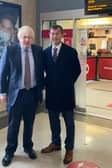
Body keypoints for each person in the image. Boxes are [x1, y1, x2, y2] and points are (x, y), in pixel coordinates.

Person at [0, 26, 44, 167]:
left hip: (32, 93)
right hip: (16, 94)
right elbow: (3, 72)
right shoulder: (10, 50)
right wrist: (2, 92)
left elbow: (41, 70)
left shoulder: (38, 50)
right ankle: (10, 151)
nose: (27, 40)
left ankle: (28, 147)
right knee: (13, 125)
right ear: (19, 38)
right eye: (24, 37)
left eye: (29, 37)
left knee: (29, 124)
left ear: (33, 39)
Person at [41, 25, 81, 164]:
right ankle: (55, 143)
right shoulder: (45, 53)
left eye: (57, 34)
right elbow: (44, 71)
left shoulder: (70, 52)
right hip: (51, 94)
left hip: (66, 94)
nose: (54, 36)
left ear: (62, 35)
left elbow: (77, 70)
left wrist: (68, 82)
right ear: (49, 35)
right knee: (53, 121)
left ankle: (69, 148)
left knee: (69, 123)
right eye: (52, 34)